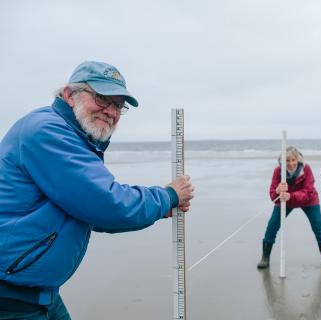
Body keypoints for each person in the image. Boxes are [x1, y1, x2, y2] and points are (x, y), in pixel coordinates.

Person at [0, 61, 194, 319]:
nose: (110, 111)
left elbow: (87, 207)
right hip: (11, 299)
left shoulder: (74, 136)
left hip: (38, 293)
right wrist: (168, 196)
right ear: (69, 95)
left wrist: (159, 208)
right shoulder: (47, 131)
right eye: (102, 98)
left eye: (118, 105)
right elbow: (106, 204)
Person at [257, 145, 321, 271]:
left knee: (318, 227)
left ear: (298, 159)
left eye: (293, 160)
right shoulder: (278, 171)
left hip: (308, 201)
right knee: (272, 226)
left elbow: (308, 191)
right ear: (283, 161)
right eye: (287, 160)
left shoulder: (306, 169)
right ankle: (265, 257)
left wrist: (291, 196)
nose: (291, 163)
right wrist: (277, 191)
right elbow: (273, 194)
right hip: (285, 201)